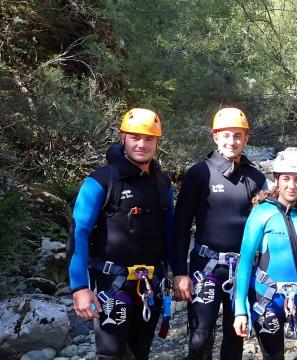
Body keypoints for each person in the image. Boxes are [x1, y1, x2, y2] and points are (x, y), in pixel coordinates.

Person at [68, 108, 174, 359]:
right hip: (112, 283)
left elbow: (170, 230)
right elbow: (78, 233)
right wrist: (79, 287)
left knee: (140, 351)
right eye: (135, 137)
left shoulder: (162, 182)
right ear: (123, 137)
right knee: (111, 353)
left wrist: (177, 272)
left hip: (151, 283)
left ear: (157, 142)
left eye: (149, 139)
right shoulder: (101, 181)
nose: (142, 144)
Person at [172, 107, 267, 360]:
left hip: (242, 269)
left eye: (237, 135)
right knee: (200, 335)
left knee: (235, 337)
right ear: (215, 136)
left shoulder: (255, 177)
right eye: (226, 135)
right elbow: (181, 225)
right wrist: (180, 272)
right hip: (207, 266)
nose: (231, 141)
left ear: (246, 138)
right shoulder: (199, 173)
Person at [232, 151, 297, 359]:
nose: (292, 185)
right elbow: (244, 261)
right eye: (286, 179)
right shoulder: (262, 212)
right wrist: (240, 309)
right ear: (277, 180)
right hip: (266, 297)